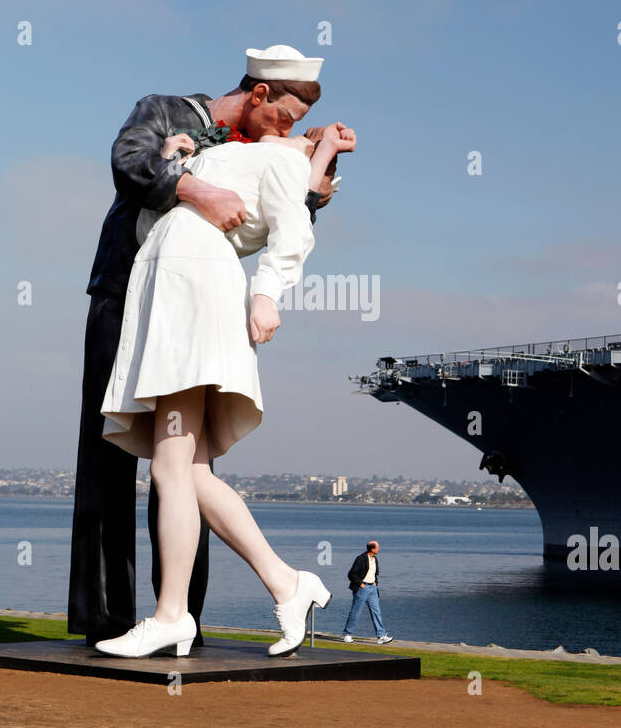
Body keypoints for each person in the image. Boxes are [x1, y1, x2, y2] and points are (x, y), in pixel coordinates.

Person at [68, 45, 336, 647]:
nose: (285, 130)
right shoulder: (166, 113)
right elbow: (129, 165)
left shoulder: (263, 154)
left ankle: (177, 615)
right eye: (283, 118)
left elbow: (280, 221)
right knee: (161, 463)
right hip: (132, 292)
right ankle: (264, 589)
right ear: (259, 95)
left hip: (189, 295)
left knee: (178, 462)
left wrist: (271, 283)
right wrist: (189, 179)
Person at [342, 540, 393, 644]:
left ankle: (381, 636)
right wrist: (361, 584)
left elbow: (375, 574)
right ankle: (347, 634)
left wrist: (375, 583)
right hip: (362, 588)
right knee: (356, 612)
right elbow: (351, 574)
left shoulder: (375, 559)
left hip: (372, 589)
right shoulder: (360, 559)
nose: (379, 549)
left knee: (376, 612)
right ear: (372, 549)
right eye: (377, 547)